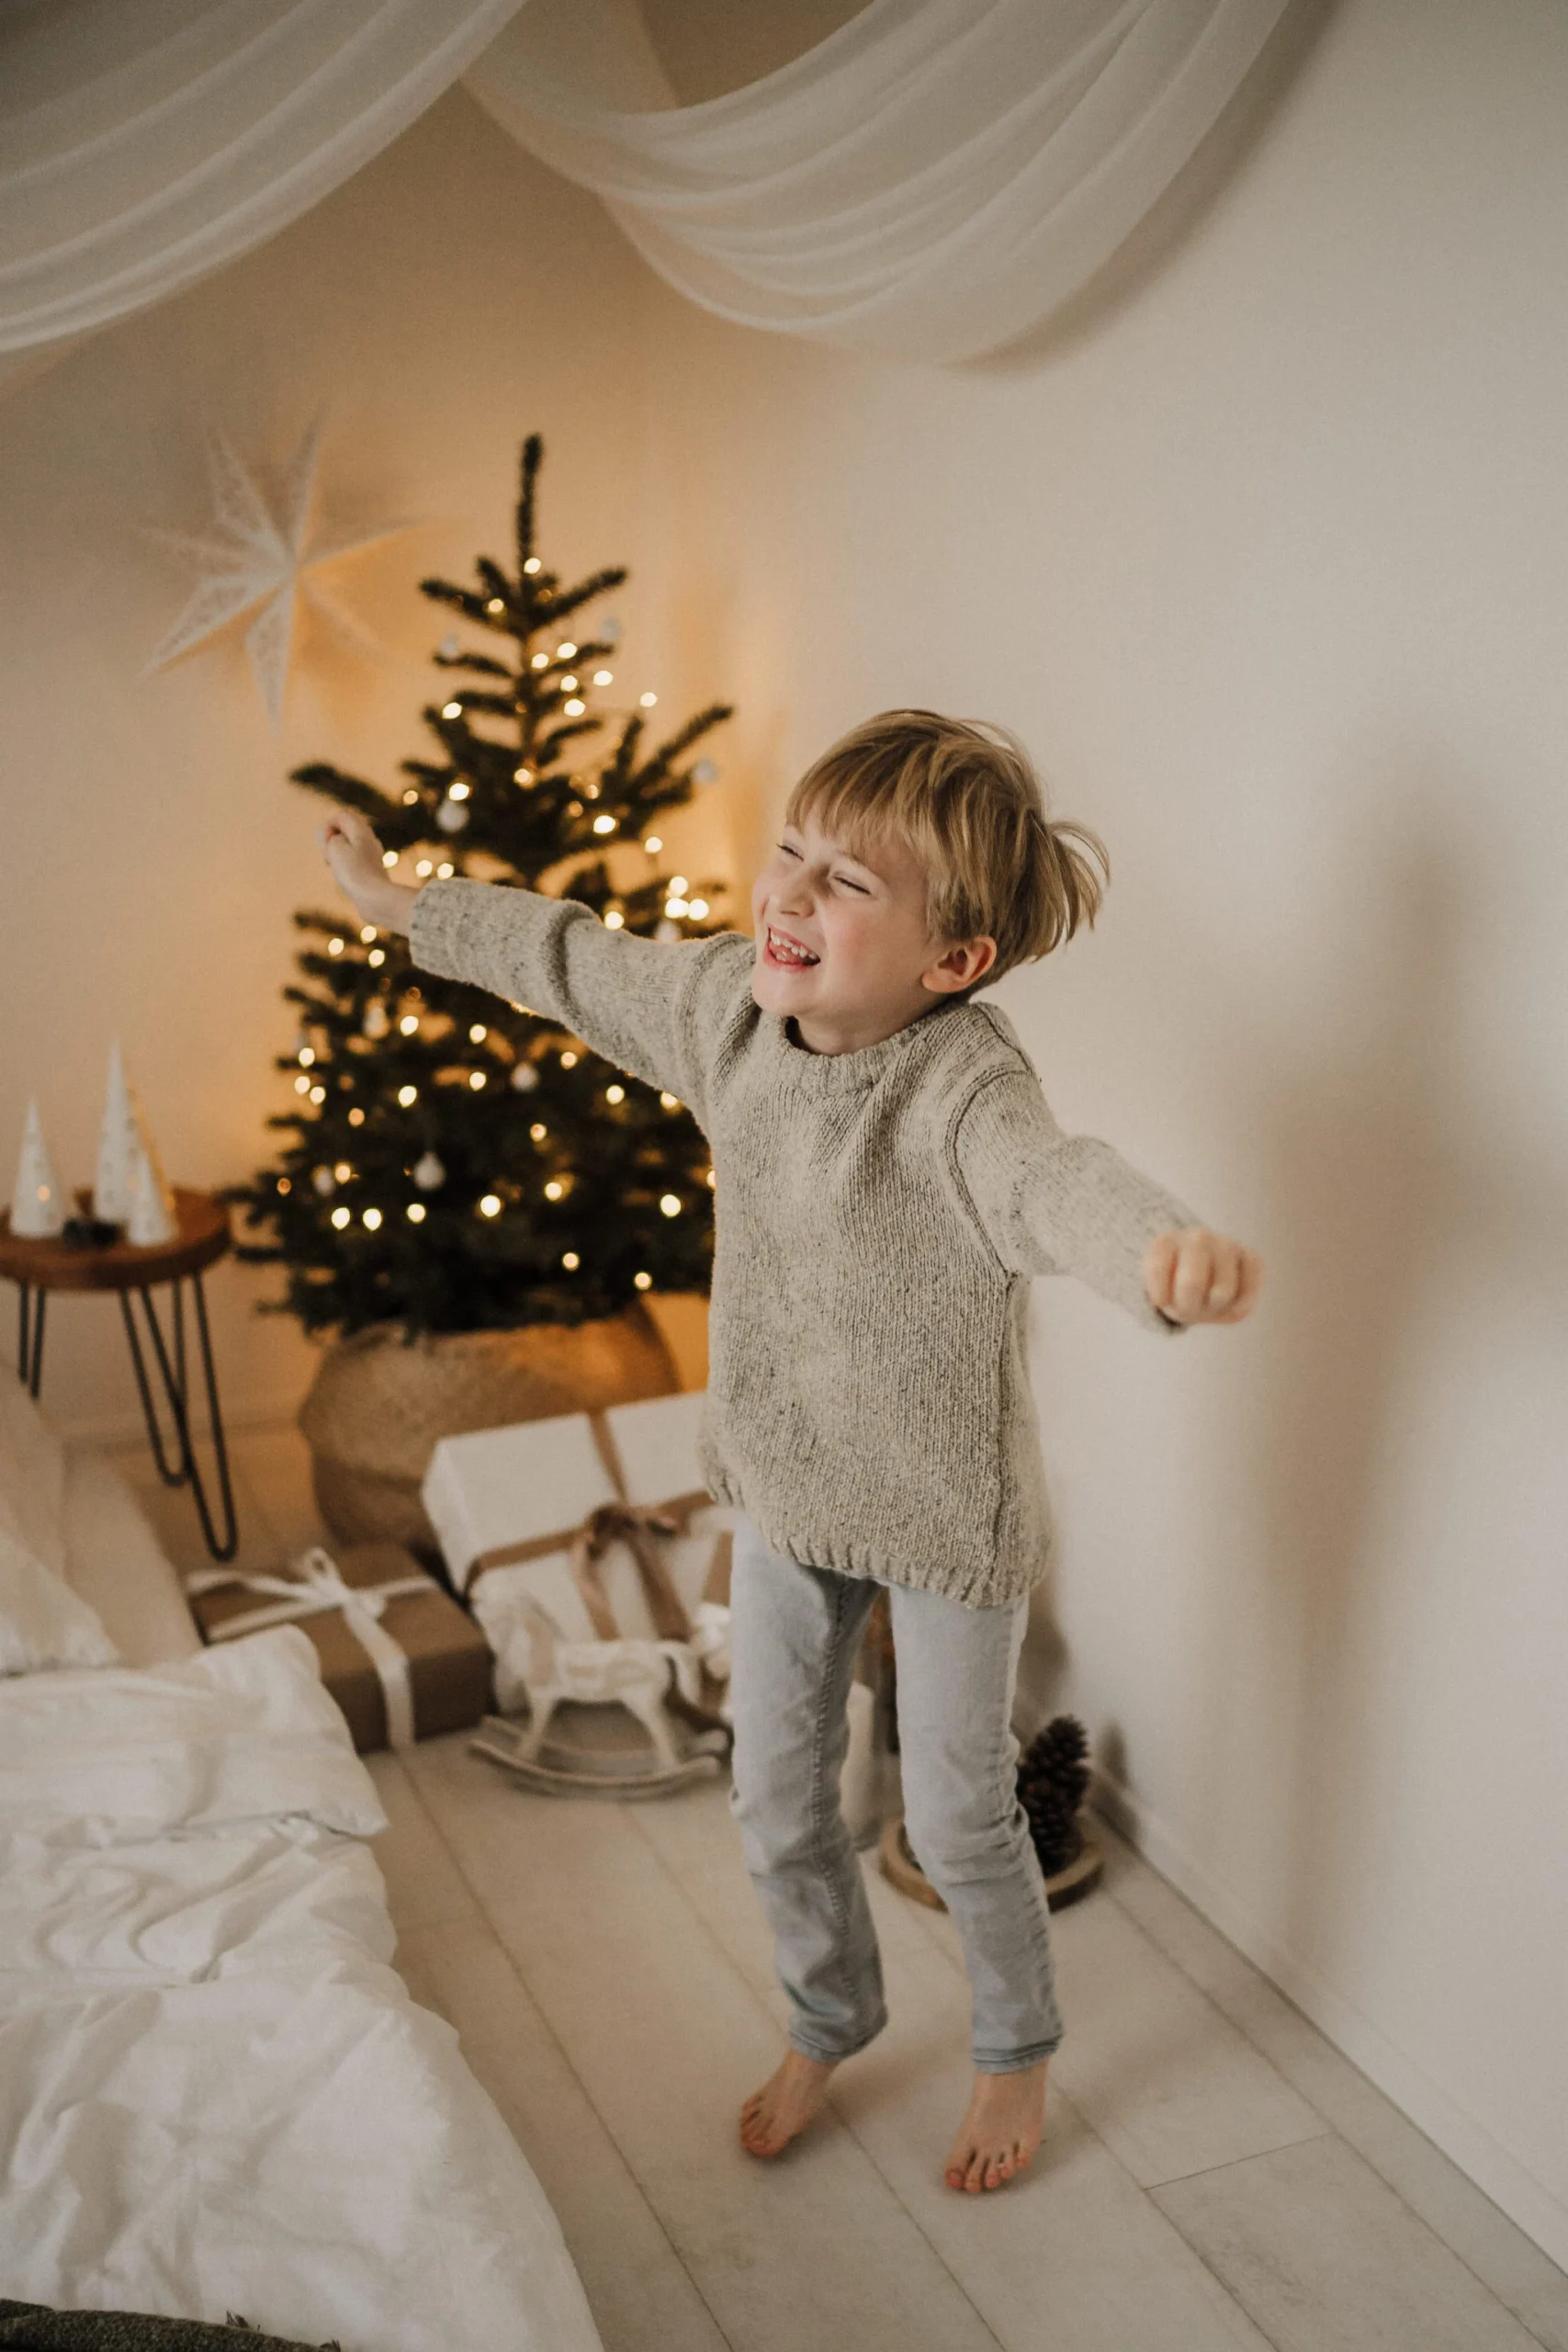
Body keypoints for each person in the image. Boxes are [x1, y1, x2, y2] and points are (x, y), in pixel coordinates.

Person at [321, 708, 1264, 2198]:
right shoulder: (724, 1015)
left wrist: (1154, 1251)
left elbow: (1052, 1184)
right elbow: (572, 957)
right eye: (791, 856)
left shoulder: (962, 1092)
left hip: (941, 1510)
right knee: (773, 1790)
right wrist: (405, 907)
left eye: (845, 884)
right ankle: (832, 2012)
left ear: (952, 962)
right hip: (781, 1483)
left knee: (956, 1813)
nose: (788, 896)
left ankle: (1012, 2044)